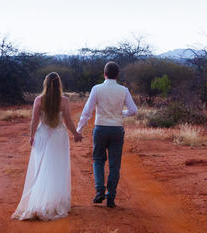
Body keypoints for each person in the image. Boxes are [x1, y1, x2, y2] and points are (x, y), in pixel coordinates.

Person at [12, 72, 82, 221]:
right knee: (57, 168)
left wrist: (31, 136)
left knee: (41, 168)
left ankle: (39, 201)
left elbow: (34, 121)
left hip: (42, 136)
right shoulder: (64, 101)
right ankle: (55, 201)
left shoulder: (39, 100)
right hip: (59, 137)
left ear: (45, 83)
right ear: (59, 85)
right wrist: (76, 134)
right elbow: (68, 121)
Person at [76, 61, 138, 208]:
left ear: (104, 74)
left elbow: (87, 112)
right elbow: (134, 110)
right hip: (117, 129)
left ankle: (99, 190)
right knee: (114, 165)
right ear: (117, 75)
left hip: (100, 128)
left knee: (98, 160)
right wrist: (121, 113)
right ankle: (111, 197)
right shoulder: (123, 90)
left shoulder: (96, 89)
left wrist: (79, 129)